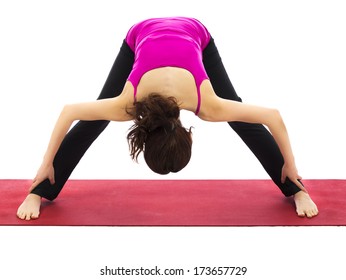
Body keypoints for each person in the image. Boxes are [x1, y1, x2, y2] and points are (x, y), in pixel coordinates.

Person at [17, 17, 318, 220]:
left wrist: (291, 164)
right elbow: (69, 111)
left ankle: (297, 190)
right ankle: (39, 191)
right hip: (141, 33)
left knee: (241, 116)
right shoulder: (130, 103)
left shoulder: (208, 104)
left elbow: (272, 117)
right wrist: (45, 163)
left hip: (195, 33)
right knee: (95, 117)